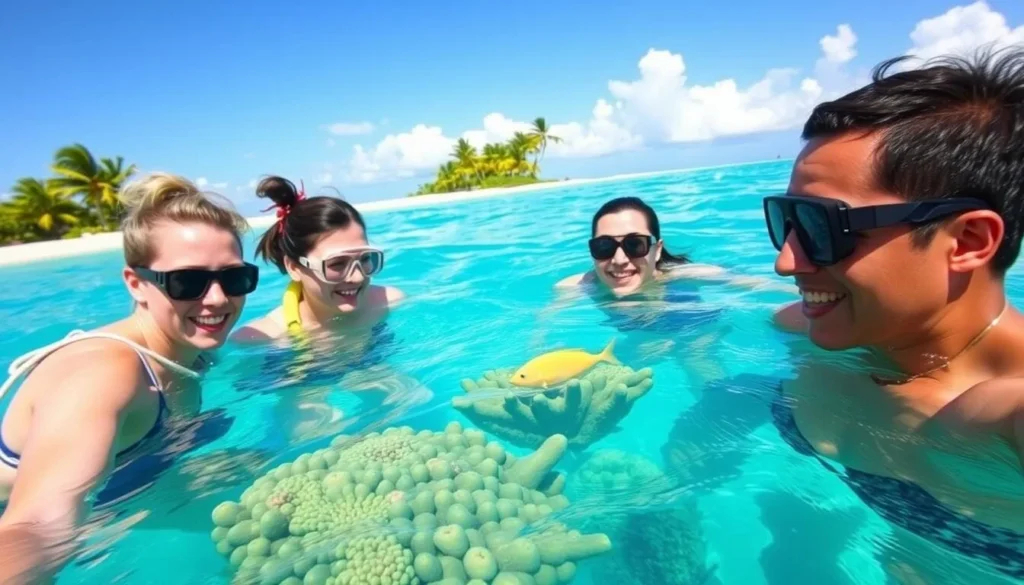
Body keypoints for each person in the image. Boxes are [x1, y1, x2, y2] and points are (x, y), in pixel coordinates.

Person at [764, 48, 1024, 581]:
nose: (786, 260)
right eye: (787, 219)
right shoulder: (821, 324)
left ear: (968, 241)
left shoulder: (1009, 411)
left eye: (822, 227)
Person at [0, 172, 259, 582]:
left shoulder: (190, 350)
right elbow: (35, 526)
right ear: (137, 284)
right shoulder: (103, 373)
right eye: (187, 281)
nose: (218, 298)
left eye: (234, 277)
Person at [232, 176, 404, 342]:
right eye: (337, 263)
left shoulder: (388, 303)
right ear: (294, 268)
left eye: (366, 258)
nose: (357, 277)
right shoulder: (263, 339)